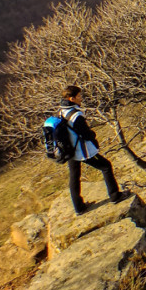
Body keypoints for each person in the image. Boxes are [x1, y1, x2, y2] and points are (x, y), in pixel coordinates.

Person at [59, 84, 123, 214]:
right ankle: (115, 195)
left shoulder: (61, 111)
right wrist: (93, 135)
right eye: (79, 96)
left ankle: (79, 207)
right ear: (72, 99)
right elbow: (86, 134)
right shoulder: (76, 115)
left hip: (69, 149)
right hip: (81, 150)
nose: (81, 98)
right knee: (105, 166)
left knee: (74, 176)